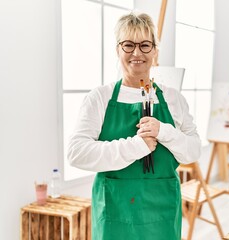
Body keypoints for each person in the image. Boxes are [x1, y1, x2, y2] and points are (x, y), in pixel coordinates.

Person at [67, 12, 201, 240]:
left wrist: (164, 131)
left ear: (155, 51)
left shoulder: (173, 98)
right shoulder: (99, 97)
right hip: (115, 209)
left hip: (162, 209)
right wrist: (136, 146)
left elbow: (193, 150)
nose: (137, 53)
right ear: (117, 50)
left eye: (145, 45)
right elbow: (76, 153)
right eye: (128, 45)